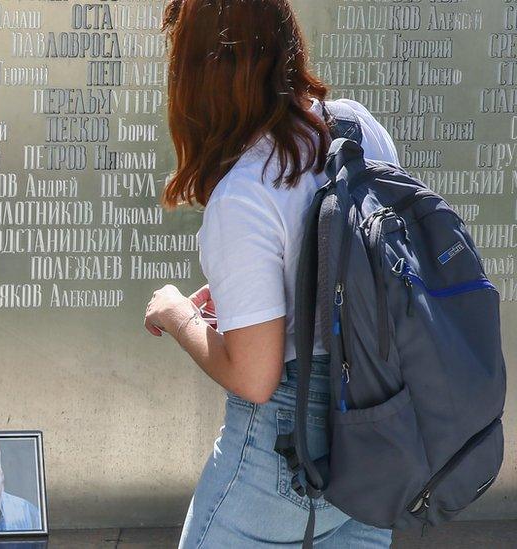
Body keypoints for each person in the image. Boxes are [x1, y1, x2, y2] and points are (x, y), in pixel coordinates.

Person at [145, 1, 400, 547]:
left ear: (199, 76)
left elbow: (254, 378)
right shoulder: (359, 128)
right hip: (383, 433)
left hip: (285, 453)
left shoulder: (245, 192)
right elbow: (359, 270)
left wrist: (177, 312)